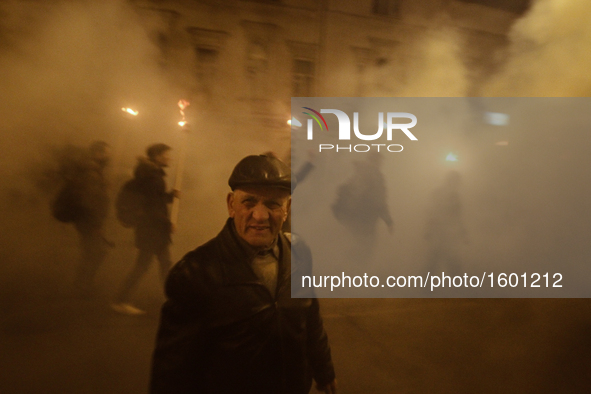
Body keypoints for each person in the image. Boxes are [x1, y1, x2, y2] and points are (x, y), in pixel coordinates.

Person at [150, 154, 337, 394]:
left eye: (273, 204)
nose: (260, 216)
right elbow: (172, 369)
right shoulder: (197, 272)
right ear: (231, 205)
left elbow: (310, 319)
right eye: (249, 202)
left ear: (287, 209)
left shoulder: (299, 252)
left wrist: (324, 369)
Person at [112, 143, 179, 315]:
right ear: (157, 156)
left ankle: (174, 299)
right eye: (166, 154)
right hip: (152, 230)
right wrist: (167, 223)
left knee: (164, 264)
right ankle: (120, 300)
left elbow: (155, 199)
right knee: (143, 266)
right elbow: (153, 207)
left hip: (151, 229)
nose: (169, 158)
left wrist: (170, 196)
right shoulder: (152, 178)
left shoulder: (149, 175)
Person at [56, 141, 111, 297]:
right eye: (106, 153)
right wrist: (96, 224)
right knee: (95, 252)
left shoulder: (92, 170)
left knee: (92, 252)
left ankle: (83, 284)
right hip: (89, 220)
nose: (109, 156)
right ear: (97, 154)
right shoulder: (91, 173)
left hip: (87, 220)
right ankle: (82, 286)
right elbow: (90, 201)